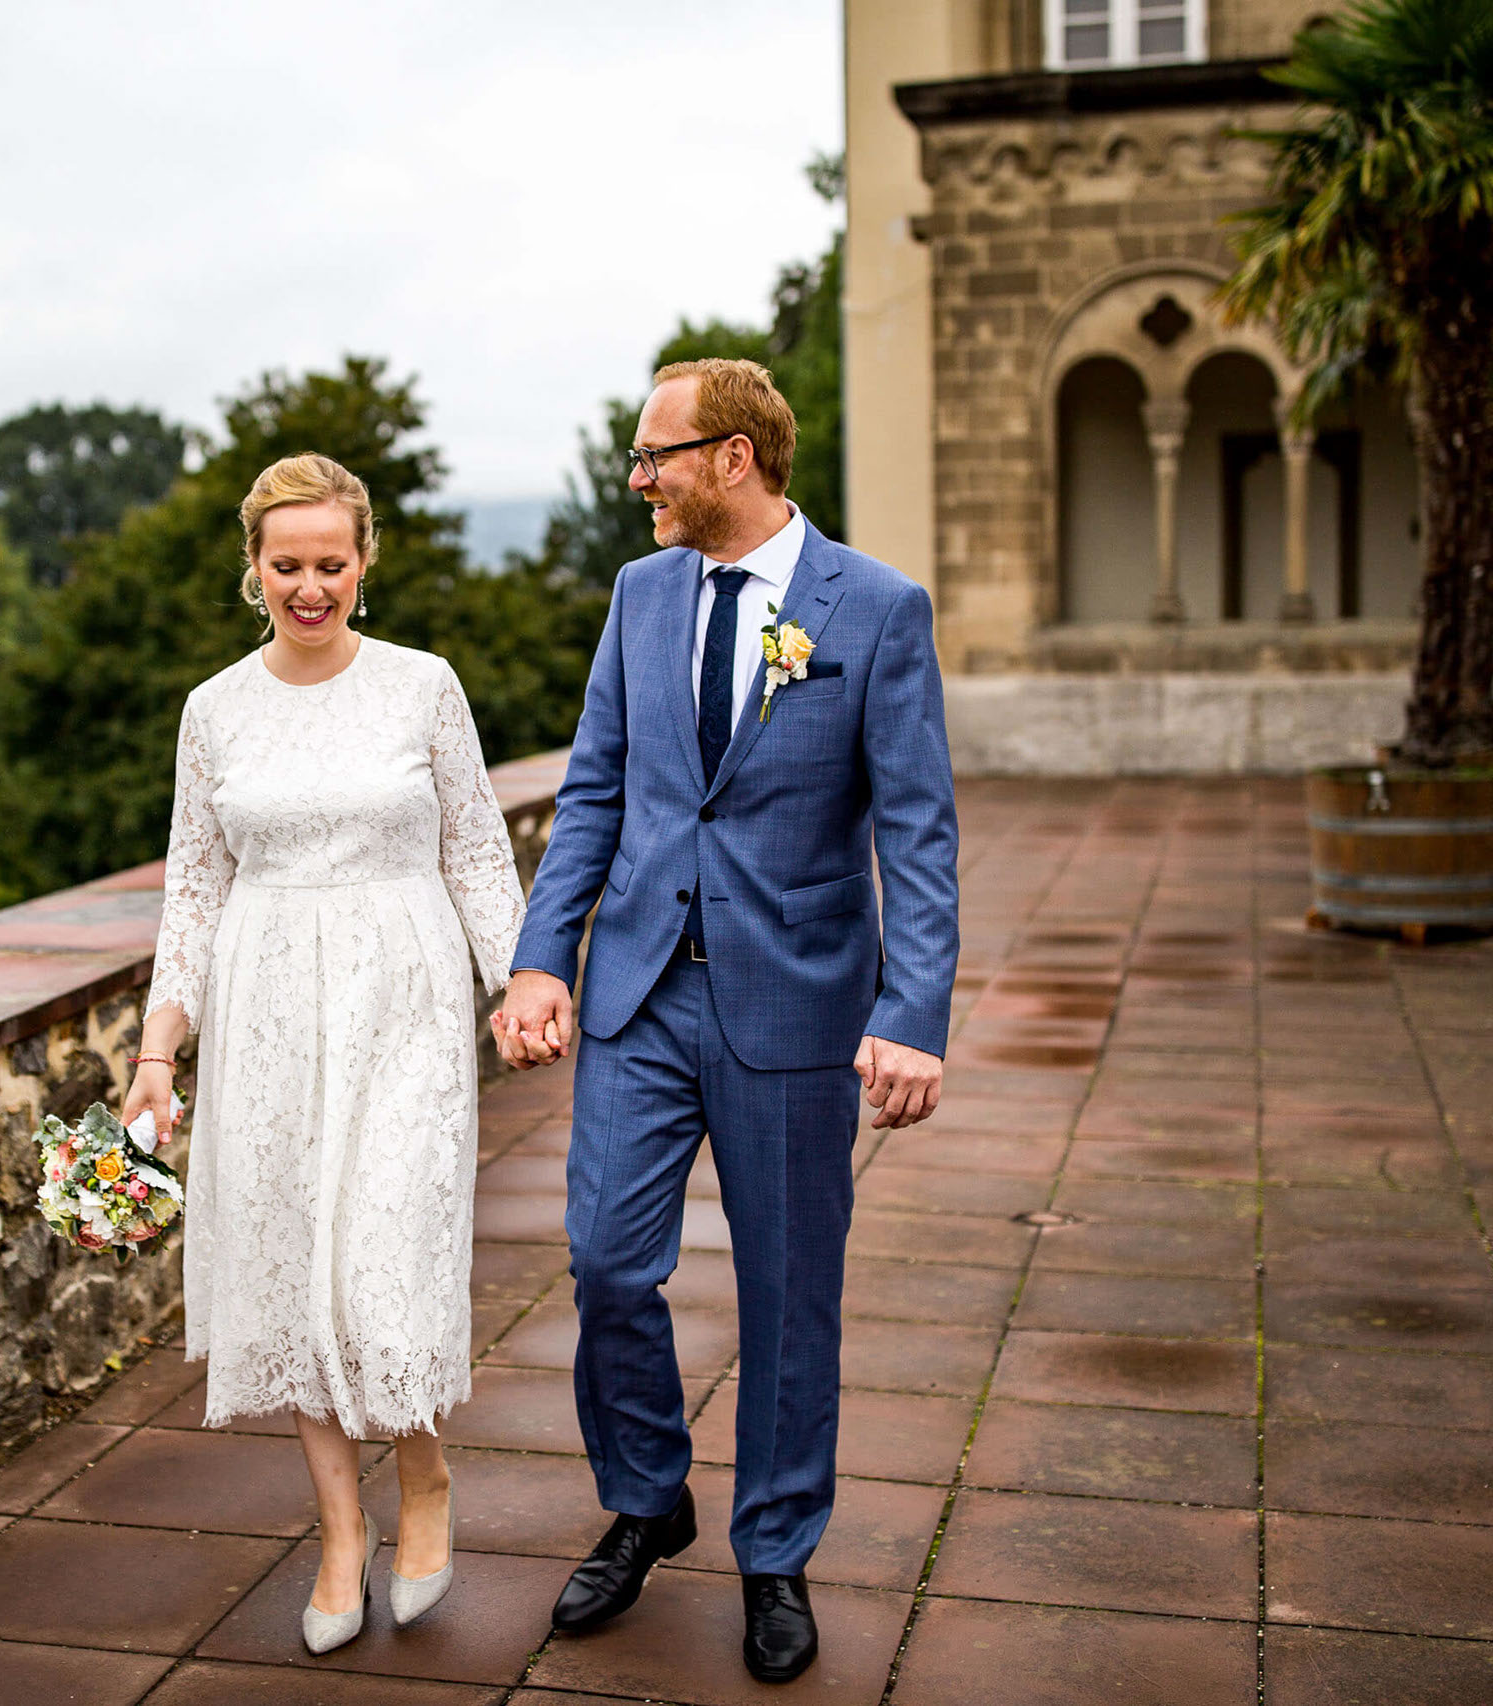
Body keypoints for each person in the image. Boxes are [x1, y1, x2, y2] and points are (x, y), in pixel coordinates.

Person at [493, 358, 958, 1684]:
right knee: (603, 1257)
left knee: (790, 1288)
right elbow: (595, 789)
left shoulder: (872, 610)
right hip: (641, 988)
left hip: (799, 1002)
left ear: (735, 457)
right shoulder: (641, 597)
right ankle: (648, 1493)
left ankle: (775, 1550)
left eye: (658, 455)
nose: (636, 478)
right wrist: (543, 960)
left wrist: (913, 1011)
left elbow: (918, 833)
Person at [122, 453, 526, 1655]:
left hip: (403, 1002)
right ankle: (341, 1528)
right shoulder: (214, 710)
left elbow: (477, 855)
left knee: (382, 1258)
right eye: (286, 564)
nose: (310, 585)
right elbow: (193, 889)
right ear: (253, 568)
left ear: (365, 563)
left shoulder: (424, 687)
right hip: (265, 1014)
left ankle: (427, 1477)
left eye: (330, 563)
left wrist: (522, 987)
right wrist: (158, 1050)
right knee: (294, 1266)